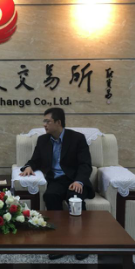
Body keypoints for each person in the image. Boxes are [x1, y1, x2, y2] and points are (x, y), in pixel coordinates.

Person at [19, 107, 95, 260]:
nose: (44, 125)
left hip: (74, 179)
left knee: (75, 199)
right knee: (50, 196)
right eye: (44, 121)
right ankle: (59, 243)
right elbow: (35, 160)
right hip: (56, 180)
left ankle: (82, 243)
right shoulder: (43, 140)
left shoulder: (77, 138)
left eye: (48, 121)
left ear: (58, 122)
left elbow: (85, 164)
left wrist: (79, 181)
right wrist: (28, 167)